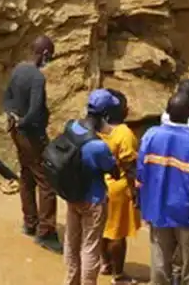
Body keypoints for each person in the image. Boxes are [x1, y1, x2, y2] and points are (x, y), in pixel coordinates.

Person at [140, 92, 189, 285]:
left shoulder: (151, 136)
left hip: (158, 212)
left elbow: (141, 177)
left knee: (159, 266)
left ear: (167, 112)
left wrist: (143, 207)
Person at [3, 34, 59, 250]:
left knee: (26, 176)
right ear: (44, 54)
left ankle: (30, 223)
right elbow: (36, 108)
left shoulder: (18, 69)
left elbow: (7, 97)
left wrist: (14, 117)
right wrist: (26, 123)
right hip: (31, 134)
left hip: (16, 131)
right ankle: (46, 232)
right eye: (50, 56)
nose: (49, 61)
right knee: (47, 181)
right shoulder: (37, 78)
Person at [62, 90, 123, 285]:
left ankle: (70, 281)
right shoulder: (98, 146)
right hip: (93, 199)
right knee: (90, 247)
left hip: (72, 194)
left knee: (71, 243)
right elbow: (113, 170)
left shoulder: (71, 126)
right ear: (105, 115)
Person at [99, 89, 141, 284]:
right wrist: (135, 191)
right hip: (118, 187)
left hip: (98, 184)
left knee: (102, 228)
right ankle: (119, 275)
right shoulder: (124, 133)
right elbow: (129, 165)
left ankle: (105, 264)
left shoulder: (98, 128)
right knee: (118, 233)